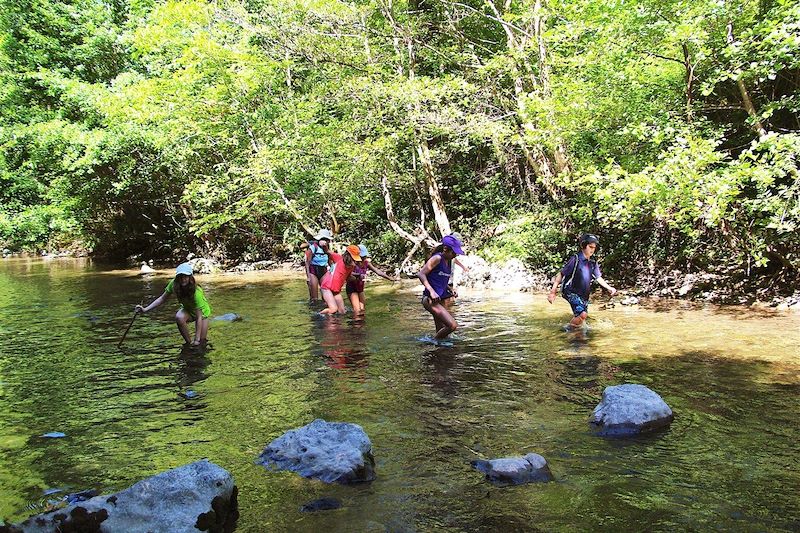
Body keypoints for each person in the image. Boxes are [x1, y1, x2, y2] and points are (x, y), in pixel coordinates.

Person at [547, 233, 617, 330]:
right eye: (590, 247)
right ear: (583, 246)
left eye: (594, 247)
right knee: (582, 314)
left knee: (581, 319)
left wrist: (609, 288)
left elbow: (598, 278)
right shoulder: (575, 259)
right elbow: (561, 274)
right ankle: (565, 331)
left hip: (583, 294)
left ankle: (577, 337)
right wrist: (553, 292)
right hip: (570, 291)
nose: (592, 249)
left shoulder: (593, 263)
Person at [135, 263, 212, 347]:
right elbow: (161, 299)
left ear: (190, 277)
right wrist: (145, 309)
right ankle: (188, 344)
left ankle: (197, 345)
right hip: (188, 310)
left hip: (202, 314)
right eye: (180, 276)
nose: (183, 279)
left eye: (185, 276)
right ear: (177, 277)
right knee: (179, 317)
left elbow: (199, 317)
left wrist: (197, 340)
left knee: (201, 342)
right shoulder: (174, 284)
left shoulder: (196, 293)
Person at [418, 234, 464, 339]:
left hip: (440, 299)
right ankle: (432, 342)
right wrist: (432, 291)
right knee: (452, 326)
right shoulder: (437, 258)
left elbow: (440, 279)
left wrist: (450, 289)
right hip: (431, 299)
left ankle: (439, 351)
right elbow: (421, 274)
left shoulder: (449, 261)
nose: (455, 255)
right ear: (446, 249)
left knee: (441, 330)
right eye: (454, 252)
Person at [347, 244, 399, 315]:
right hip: (352, 288)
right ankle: (355, 325)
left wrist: (390, 278)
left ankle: (360, 325)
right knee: (357, 310)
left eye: (364, 256)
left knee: (362, 310)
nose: (364, 257)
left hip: (360, 288)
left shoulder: (366, 263)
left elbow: (378, 271)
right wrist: (358, 275)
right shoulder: (353, 263)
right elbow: (348, 273)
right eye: (362, 256)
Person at [319, 244, 363, 315]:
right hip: (326, 287)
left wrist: (357, 278)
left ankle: (331, 321)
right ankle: (318, 316)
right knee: (333, 309)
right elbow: (328, 252)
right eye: (353, 259)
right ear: (347, 256)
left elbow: (348, 277)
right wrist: (331, 266)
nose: (355, 262)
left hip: (336, 290)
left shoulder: (351, 267)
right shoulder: (339, 258)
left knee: (342, 312)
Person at [304, 229, 333, 301]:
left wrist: (332, 272)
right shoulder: (313, 247)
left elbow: (330, 262)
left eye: (326, 239)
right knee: (314, 297)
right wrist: (308, 277)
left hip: (323, 270)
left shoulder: (327, 249)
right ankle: (314, 309)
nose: (324, 241)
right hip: (313, 271)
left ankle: (325, 308)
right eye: (322, 239)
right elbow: (307, 262)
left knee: (326, 295)